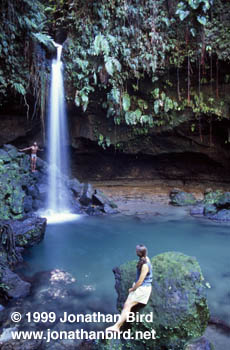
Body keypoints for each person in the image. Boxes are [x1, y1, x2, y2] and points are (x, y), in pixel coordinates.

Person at [106, 244, 152, 333]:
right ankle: (117, 326)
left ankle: (117, 327)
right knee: (126, 305)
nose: (135, 251)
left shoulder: (145, 265)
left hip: (143, 288)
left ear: (139, 252)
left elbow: (140, 281)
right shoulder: (144, 259)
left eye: (136, 250)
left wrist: (133, 289)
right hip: (141, 286)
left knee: (128, 306)